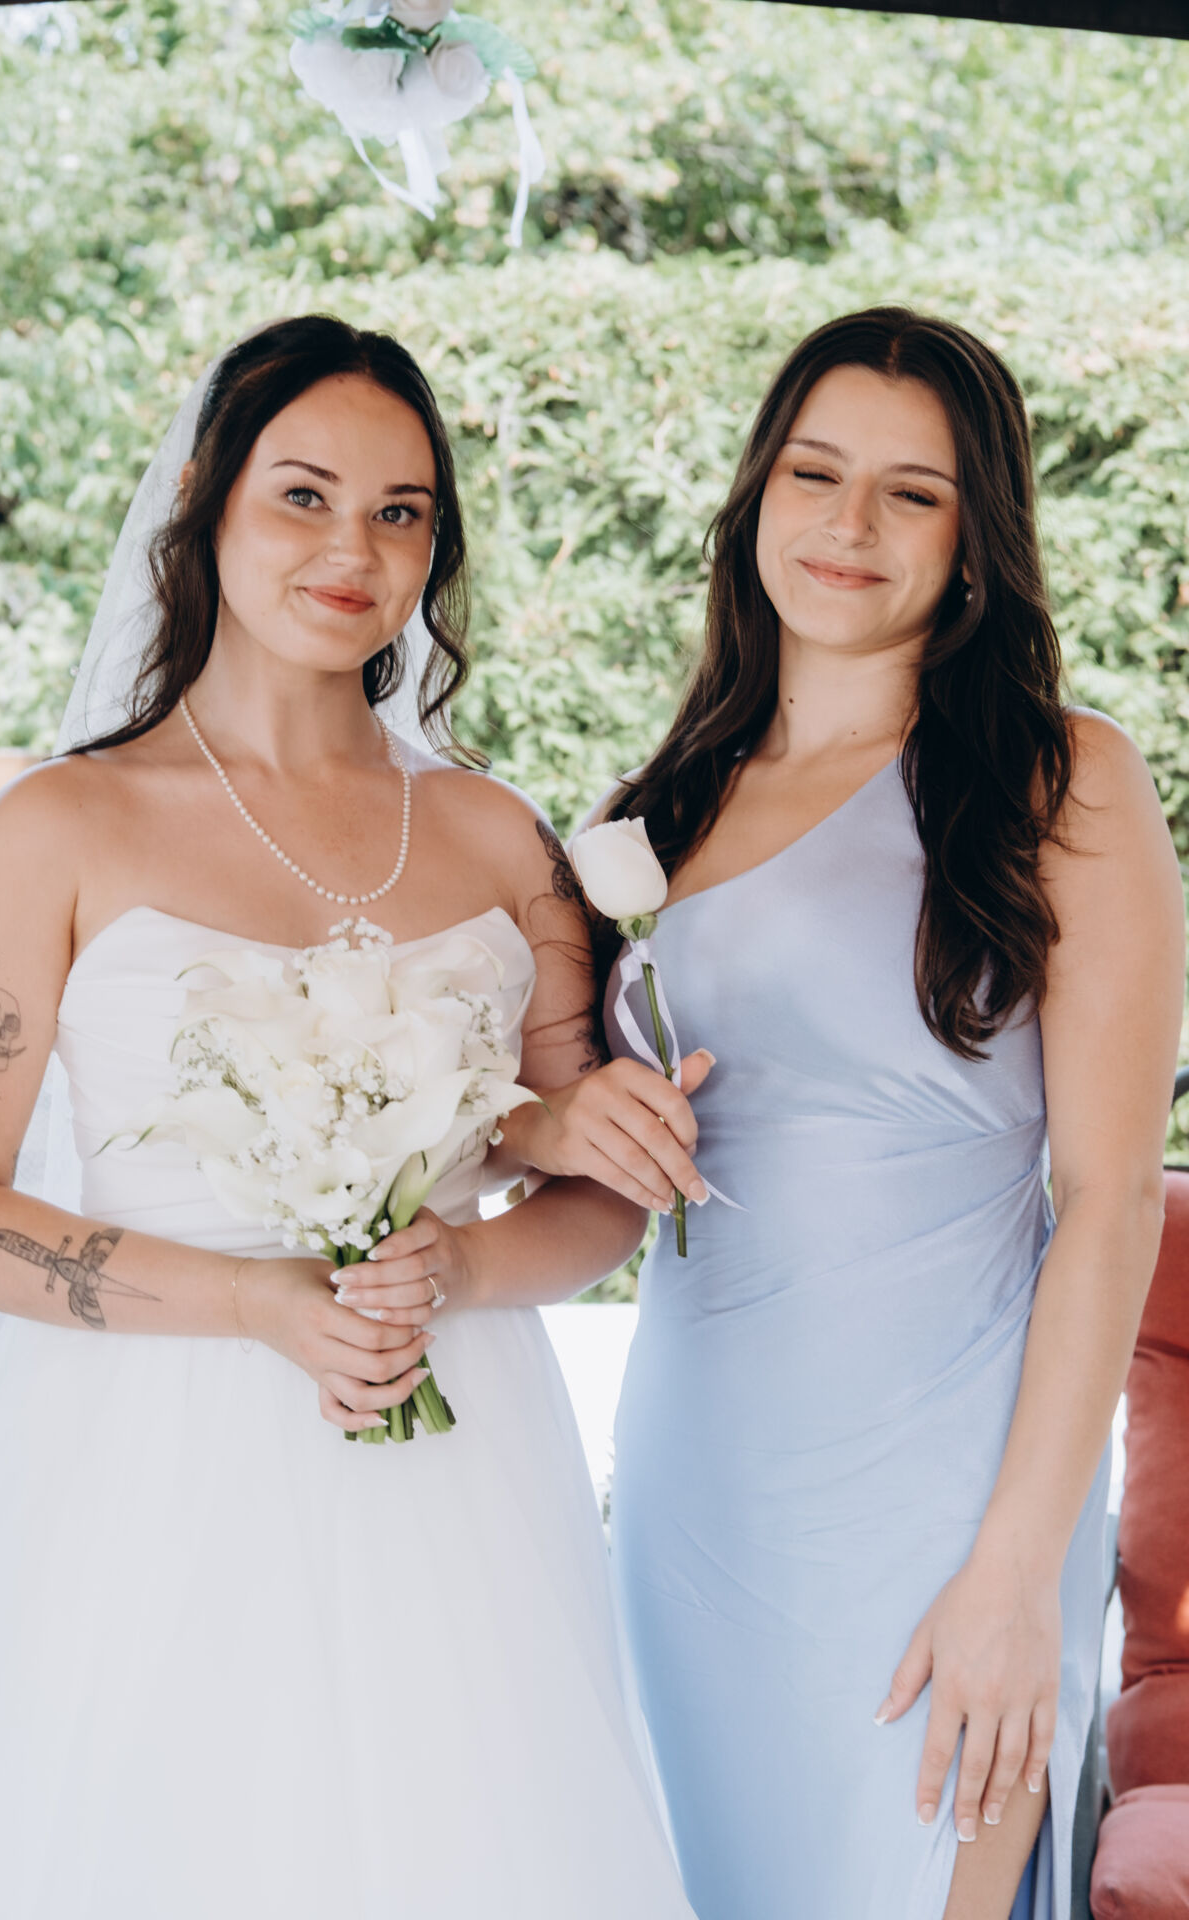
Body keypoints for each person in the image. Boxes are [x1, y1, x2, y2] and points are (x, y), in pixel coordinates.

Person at [0, 316, 703, 1920]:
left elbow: (598, 1187)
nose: (355, 550)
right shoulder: (62, 824)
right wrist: (259, 1305)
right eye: (305, 496)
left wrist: (468, 1255)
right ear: (203, 504)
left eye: (402, 512)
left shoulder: (499, 836)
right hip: (137, 1475)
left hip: (455, 1467)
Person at [528, 307, 1184, 1920]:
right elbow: (580, 1173)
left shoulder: (1066, 782)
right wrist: (536, 1140)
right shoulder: (646, 813)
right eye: (814, 473)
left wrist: (1017, 1567)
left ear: (974, 540)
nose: (849, 524)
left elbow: (1112, 1200)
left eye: (913, 492)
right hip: (697, 1484)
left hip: (950, 1491)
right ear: (757, 495)